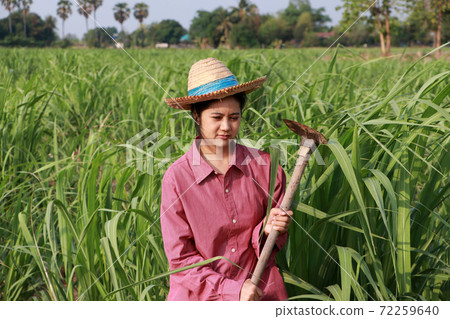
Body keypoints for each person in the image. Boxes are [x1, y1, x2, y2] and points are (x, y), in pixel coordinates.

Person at [161, 57, 293, 301]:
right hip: (200, 299)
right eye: (216, 117)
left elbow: (272, 245)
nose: (226, 126)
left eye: (234, 117)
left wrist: (270, 229)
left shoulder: (267, 168)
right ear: (196, 116)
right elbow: (181, 260)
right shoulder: (177, 178)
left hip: (261, 294)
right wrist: (233, 290)